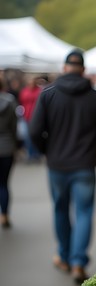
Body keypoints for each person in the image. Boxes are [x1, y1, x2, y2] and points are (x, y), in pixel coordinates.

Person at [29, 49, 96, 284]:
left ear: (65, 68)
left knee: (60, 208)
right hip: (85, 163)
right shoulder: (95, 96)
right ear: (83, 70)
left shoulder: (48, 94)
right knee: (84, 211)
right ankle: (78, 262)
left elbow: (35, 131)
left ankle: (63, 257)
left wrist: (47, 150)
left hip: (57, 164)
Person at [0, 78, 19, 229]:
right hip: (6, 147)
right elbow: (14, 126)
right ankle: (5, 214)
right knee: (4, 184)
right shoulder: (10, 101)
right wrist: (15, 145)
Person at [18, 75, 44, 162]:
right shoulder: (24, 91)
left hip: (36, 117)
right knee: (27, 137)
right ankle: (30, 154)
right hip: (26, 116)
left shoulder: (39, 91)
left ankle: (36, 154)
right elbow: (21, 102)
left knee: (35, 135)